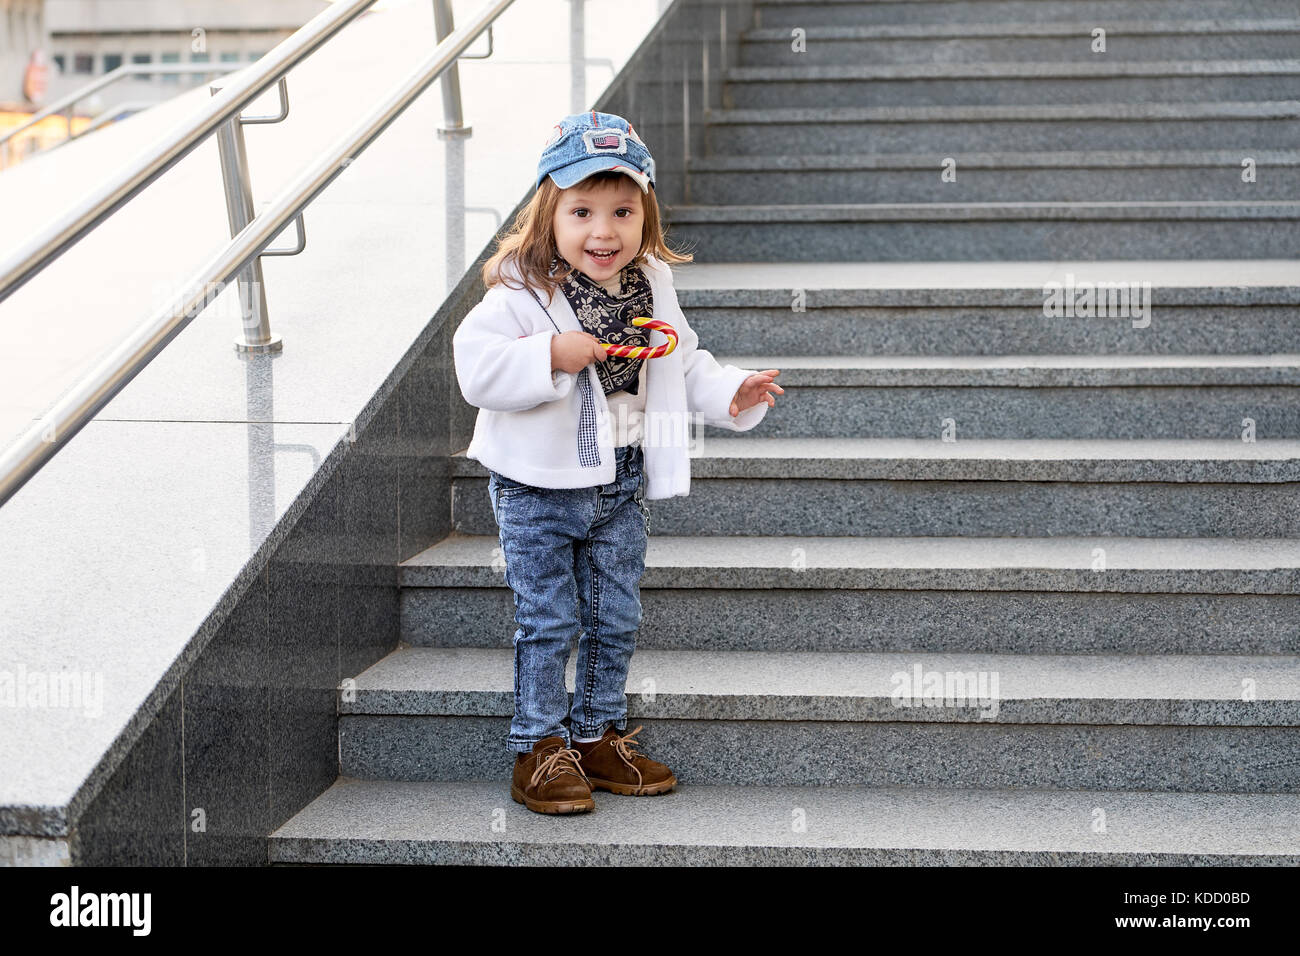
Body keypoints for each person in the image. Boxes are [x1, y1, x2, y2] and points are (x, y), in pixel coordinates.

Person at [451, 111, 783, 814]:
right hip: (537, 487)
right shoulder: (520, 291)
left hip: (619, 483)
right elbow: (475, 370)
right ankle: (538, 748)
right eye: (582, 211)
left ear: (645, 215)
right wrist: (547, 356)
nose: (603, 231)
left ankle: (596, 734)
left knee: (615, 616)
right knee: (549, 620)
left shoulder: (651, 282)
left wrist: (731, 391)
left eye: (622, 211)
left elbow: (681, 358)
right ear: (550, 213)